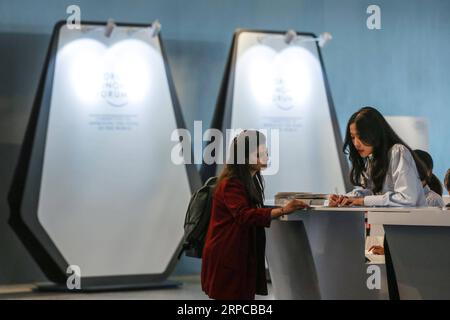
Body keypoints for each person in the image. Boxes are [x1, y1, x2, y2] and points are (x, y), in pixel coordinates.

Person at [201, 130, 309, 300]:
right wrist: (282, 210)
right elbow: (244, 215)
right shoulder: (232, 183)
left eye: (266, 152)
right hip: (228, 256)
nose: (265, 157)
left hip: (237, 255)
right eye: (259, 154)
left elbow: (251, 210)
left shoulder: (249, 181)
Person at [329, 106, 427, 207]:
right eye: (353, 137)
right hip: (387, 221)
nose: (356, 144)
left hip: (411, 222)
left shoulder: (397, 151)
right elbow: (374, 194)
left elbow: (407, 198)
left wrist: (362, 201)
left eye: (361, 136)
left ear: (375, 134)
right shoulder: (372, 159)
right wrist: (344, 198)